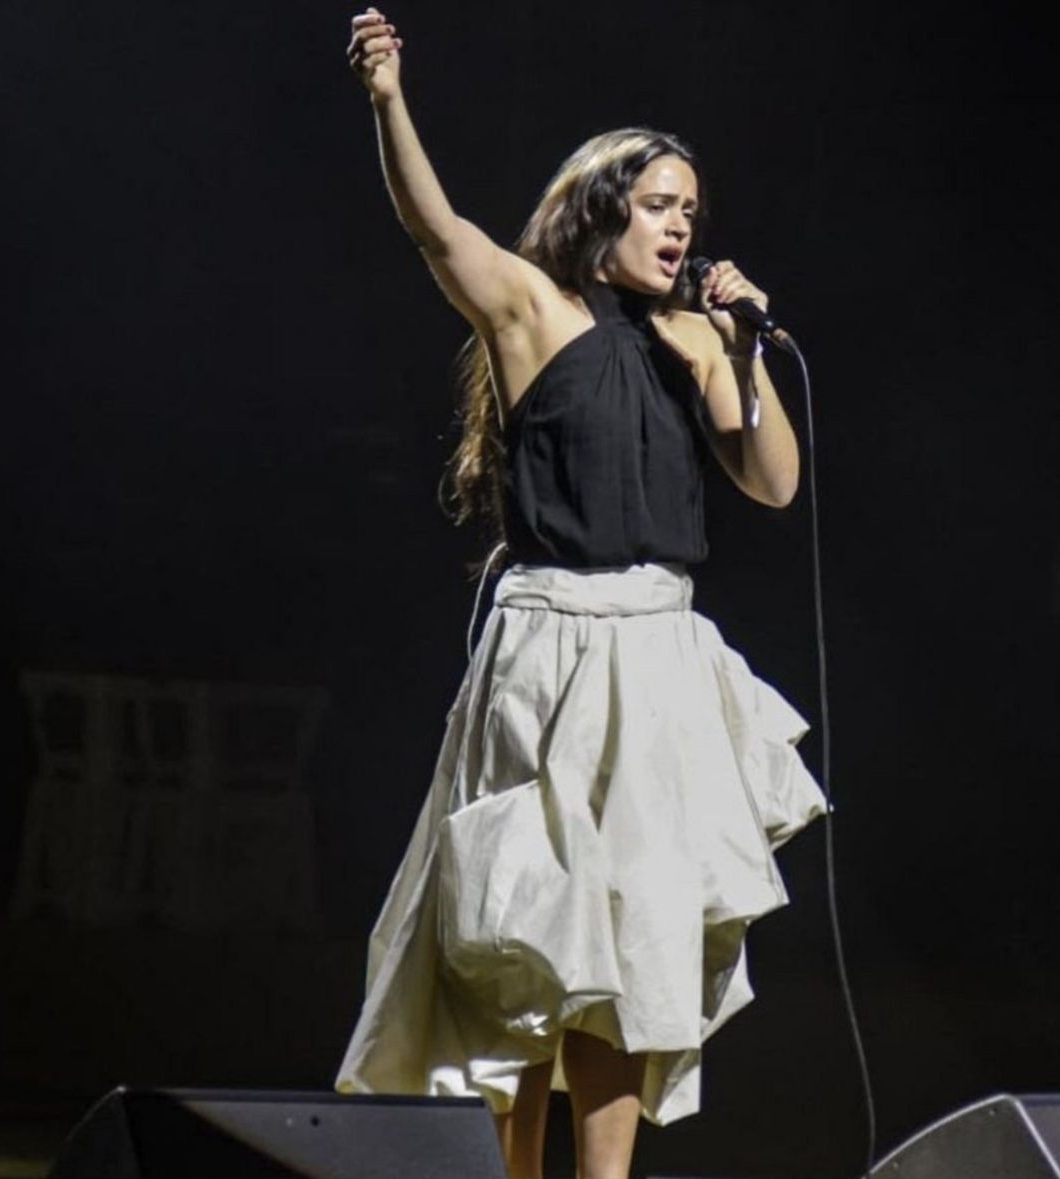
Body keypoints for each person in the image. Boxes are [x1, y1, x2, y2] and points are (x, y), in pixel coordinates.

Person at [335, 11, 826, 1179]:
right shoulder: (536, 312)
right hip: (553, 646)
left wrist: (740, 346)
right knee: (534, 931)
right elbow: (434, 229)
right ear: (603, 208)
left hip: (659, 650)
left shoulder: (699, 341)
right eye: (661, 205)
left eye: (691, 213)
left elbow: (769, 483)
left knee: (629, 938)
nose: (680, 227)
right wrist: (388, 97)